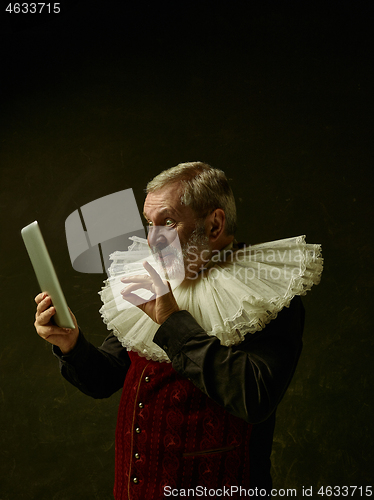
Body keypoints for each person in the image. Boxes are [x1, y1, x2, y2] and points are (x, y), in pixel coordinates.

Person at [34, 162, 323, 499]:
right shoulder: (150, 277)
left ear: (215, 224)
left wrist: (171, 318)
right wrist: (72, 345)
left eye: (168, 222)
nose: (153, 240)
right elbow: (107, 378)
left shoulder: (268, 295)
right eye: (149, 224)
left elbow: (254, 398)